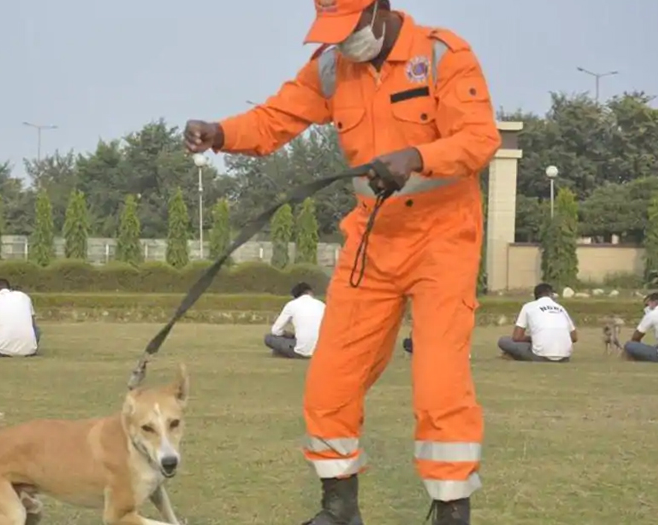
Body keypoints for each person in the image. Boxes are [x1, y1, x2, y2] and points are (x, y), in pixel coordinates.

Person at [183, 0, 500, 522]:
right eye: (333, 30)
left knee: (439, 383)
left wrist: (418, 156)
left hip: (443, 239)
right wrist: (220, 133)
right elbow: (274, 119)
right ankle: (339, 508)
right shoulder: (331, 68)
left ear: (380, 8)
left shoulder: (443, 55)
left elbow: (479, 139)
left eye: (351, 26)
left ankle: (451, 510)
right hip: (372, 241)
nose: (344, 41)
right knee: (331, 379)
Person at [496, 283, 577, 362]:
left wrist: (532, 338)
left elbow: (517, 337)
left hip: (540, 356)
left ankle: (513, 355)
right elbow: (574, 337)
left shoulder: (528, 306)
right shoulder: (560, 308)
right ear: (551, 295)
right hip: (564, 357)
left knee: (504, 341)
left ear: (535, 296)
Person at [264, 282, 327, 359]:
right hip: (322, 350)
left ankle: (282, 352)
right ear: (310, 292)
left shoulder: (291, 305)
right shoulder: (322, 305)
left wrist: (286, 334)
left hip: (301, 351)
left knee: (269, 338)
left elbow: (275, 330)